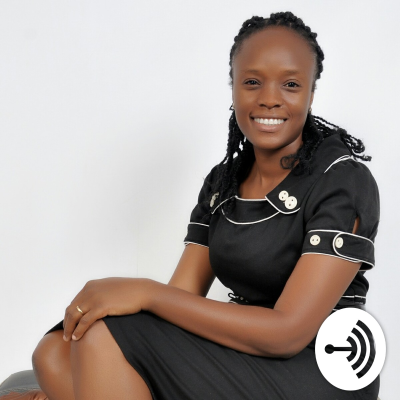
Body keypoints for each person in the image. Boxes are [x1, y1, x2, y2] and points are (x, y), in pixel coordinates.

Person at [25, 11, 380, 400]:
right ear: (233, 87)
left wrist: (145, 292)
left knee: (105, 337)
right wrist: (132, 307)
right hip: (243, 353)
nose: (269, 99)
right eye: (252, 82)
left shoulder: (342, 180)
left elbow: (287, 333)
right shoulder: (224, 182)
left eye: (291, 84)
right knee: (54, 352)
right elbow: (181, 299)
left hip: (320, 368)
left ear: (311, 93)